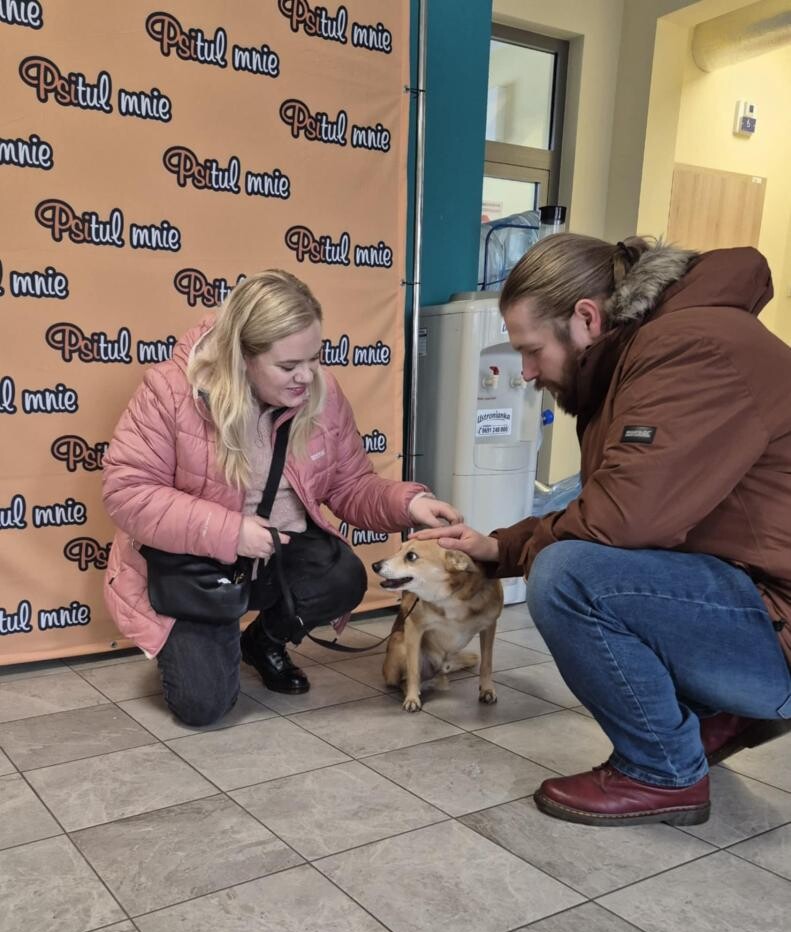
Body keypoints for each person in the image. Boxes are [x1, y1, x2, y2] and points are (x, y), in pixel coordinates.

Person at [414, 233, 791, 826]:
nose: (527, 373)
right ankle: (721, 714)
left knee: (571, 577)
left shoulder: (689, 350)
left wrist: (516, 552)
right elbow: (616, 502)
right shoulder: (655, 350)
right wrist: (497, 548)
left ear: (587, 318)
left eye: (532, 350)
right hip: (761, 599)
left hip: (778, 623)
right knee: (582, 562)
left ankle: (661, 770)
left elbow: (623, 518)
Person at [102, 269, 460, 726]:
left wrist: (408, 504)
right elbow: (128, 492)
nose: (307, 377)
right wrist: (231, 532)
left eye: (315, 358)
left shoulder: (323, 392)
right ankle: (206, 639)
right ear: (242, 357)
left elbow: (350, 485)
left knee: (341, 577)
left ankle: (262, 641)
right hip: (197, 560)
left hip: (278, 550)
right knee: (203, 707)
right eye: (289, 367)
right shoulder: (170, 390)